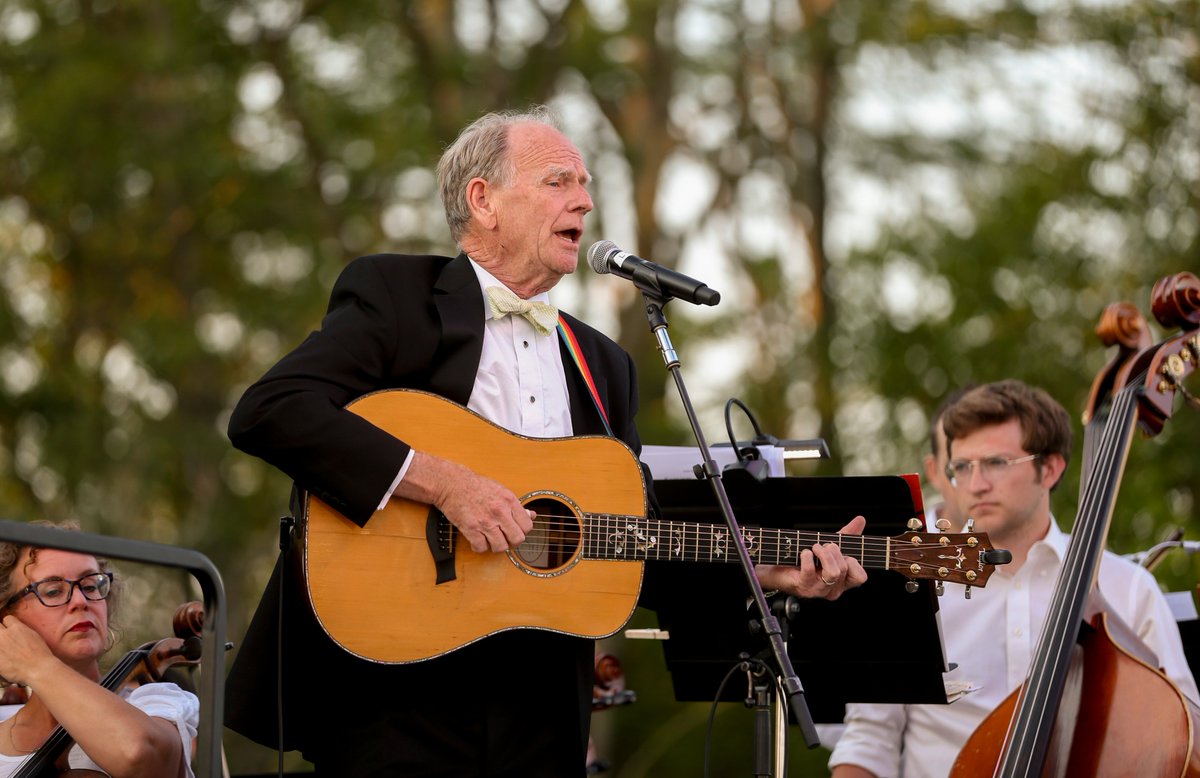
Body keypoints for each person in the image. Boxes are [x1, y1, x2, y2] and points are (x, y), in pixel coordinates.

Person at [224, 106, 867, 777]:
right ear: (484, 200)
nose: (585, 200)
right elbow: (271, 410)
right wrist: (444, 483)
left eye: (585, 185)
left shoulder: (604, 365)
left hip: (545, 705)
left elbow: (630, 546)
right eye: (559, 181)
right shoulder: (397, 298)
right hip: (396, 682)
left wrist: (762, 572)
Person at [828, 379, 1198, 778]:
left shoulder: (1128, 589)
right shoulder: (911, 585)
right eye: (962, 467)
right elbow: (869, 744)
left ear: (1051, 468)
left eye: (996, 463)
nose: (976, 484)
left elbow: (1186, 736)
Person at [0, 524, 198, 777]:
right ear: (7, 618)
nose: (81, 601)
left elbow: (138, 755)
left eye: (91, 586)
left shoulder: (154, 705)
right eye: (52, 590)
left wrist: (38, 666)